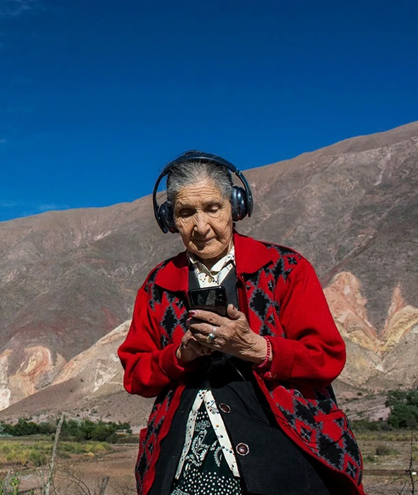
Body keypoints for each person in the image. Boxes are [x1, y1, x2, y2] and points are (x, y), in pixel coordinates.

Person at [117, 151, 365, 495]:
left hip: (289, 455)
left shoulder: (285, 269)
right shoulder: (157, 285)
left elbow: (326, 357)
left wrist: (256, 347)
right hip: (182, 460)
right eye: (186, 213)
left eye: (212, 208)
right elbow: (135, 374)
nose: (201, 227)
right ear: (170, 219)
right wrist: (182, 355)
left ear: (236, 206)